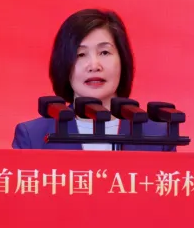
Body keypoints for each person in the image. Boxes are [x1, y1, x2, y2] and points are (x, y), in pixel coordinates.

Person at [11, 8, 175, 152]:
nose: (94, 66)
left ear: (123, 60)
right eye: (81, 54)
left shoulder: (158, 136)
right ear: (63, 64)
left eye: (104, 52)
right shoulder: (33, 137)